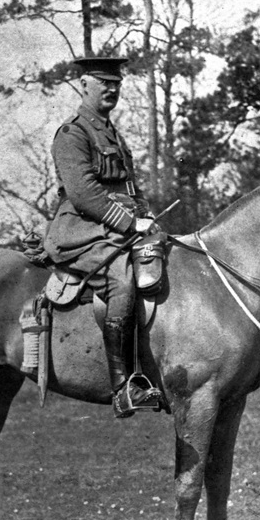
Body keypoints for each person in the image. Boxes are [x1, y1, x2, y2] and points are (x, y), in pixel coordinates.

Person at [43, 56, 163, 418]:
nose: (112, 89)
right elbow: (82, 193)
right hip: (79, 231)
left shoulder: (111, 133)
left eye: (117, 84)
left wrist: (146, 214)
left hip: (114, 227)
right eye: (103, 82)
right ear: (84, 85)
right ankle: (124, 387)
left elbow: (127, 186)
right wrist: (129, 224)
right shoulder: (73, 133)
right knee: (121, 277)